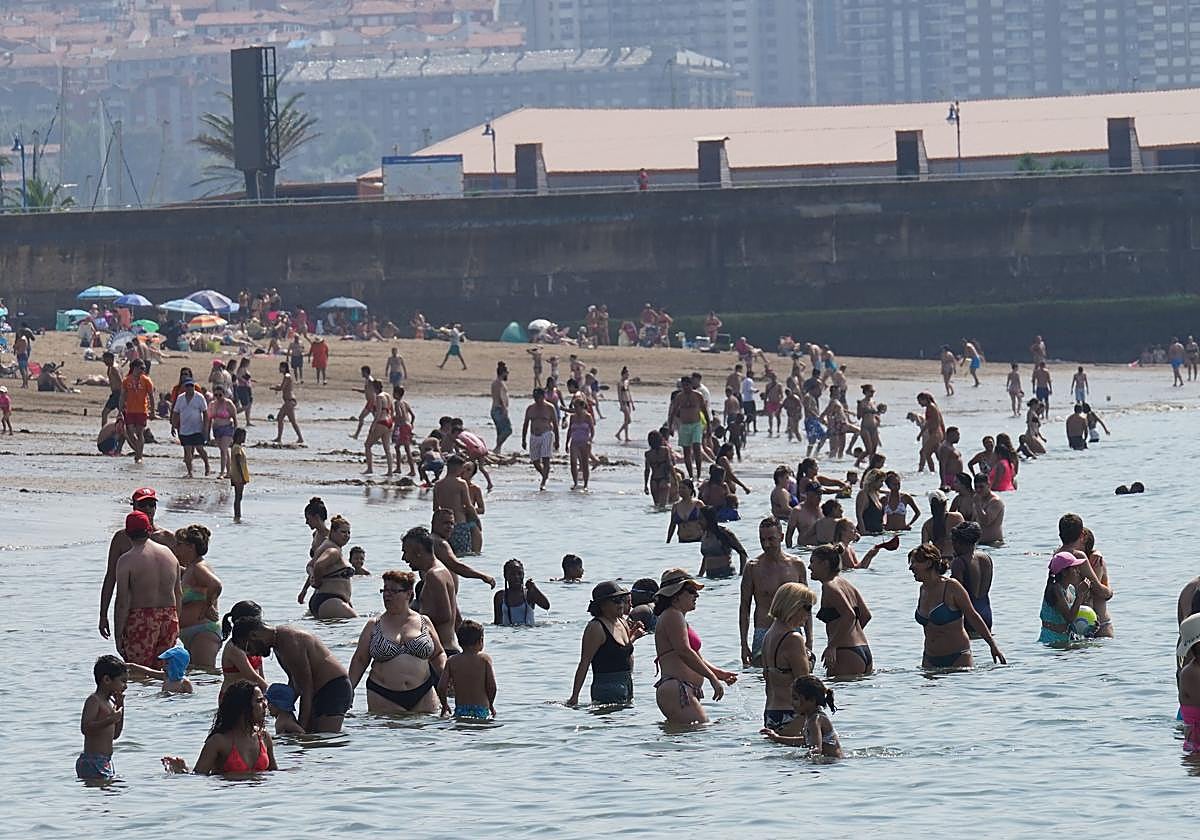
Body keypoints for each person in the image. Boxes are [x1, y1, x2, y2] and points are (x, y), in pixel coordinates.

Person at [348, 570, 448, 714]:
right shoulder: (374, 624)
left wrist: (446, 678)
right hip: (383, 694)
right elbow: (360, 659)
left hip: (423, 692)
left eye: (393, 591)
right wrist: (349, 689)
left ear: (408, 594)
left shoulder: (424, 621)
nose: (387, 595)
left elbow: (438, 654)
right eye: (385, 590)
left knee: (428, 733)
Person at [232, 619, 352, 733]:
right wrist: (282, 711)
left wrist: (301, 728)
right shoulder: (278, 644)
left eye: (248, 648)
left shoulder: (290, 642)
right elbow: (295, 683)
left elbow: (306, 689)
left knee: (324, 741)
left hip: (334, 689)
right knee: (314, 738)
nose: (251, 654)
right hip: (319, 692)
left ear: (253, 635)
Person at [652, 569, 737, 725]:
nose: (696, 595)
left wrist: (718, 673)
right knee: (700, 734)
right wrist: (711, 678)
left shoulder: (678, 617)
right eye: (691, 591)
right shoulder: (672, 615)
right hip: (676, 688)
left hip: (681, 689)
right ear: (675, 595)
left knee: (692, 741)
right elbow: (684, 651)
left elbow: (695, 655)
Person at [909, 543, 1005, 668]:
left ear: (928, 563)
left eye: (914, 563)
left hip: (958, 657)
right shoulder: (923, 589)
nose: (911, 568)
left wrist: (993, 646)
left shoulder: (951, 587)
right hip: (929, 658)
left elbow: (973, 616)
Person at [162, 681, 278, 775]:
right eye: (259, 701)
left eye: (264, 700)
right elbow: (199, 777)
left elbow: (274, 774)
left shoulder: (263, 737)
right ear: (243, 707)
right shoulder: (218, 742)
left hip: (261, 801)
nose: (265, 704)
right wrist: (183, 771)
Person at [114, 510, 182, 668]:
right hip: (170, 617)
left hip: (142, 619)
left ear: (127, 533)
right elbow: (178, 594)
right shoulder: (170, 555)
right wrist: (177, 624)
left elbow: (122, 602)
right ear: (149, 530)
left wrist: (118, 635)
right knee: (165, 672)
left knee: (138, 672)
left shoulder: (126, 560)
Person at [741, 518, 811, 667]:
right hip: (763, 630)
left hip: (793, 628)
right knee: (763, 678)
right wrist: (743, 645)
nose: (766, 544)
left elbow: (806, 605)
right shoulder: (753, 567)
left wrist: (810, 640)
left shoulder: (796, 565)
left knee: (796, 676)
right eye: (762, 540)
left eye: (771, 539)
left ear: (782, 537)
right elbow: (744, 607)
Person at [567, 581, 645, 706]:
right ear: (602, 605)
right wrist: (574, 697)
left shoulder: (622, 622)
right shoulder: (596, 627)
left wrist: (634, 635)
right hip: (606, 688)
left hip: (626, 684)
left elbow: (620, 651)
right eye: (615, 600)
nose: (621, 604)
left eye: (622, 599)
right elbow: (585, 662)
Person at [758, 583, 815, 731]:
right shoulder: (793, 639)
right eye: (807, 608)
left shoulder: (768, 636)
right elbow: (805, 684)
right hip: (793, 715)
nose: (809, 615)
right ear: (793, 605)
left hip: (772, 713)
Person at [810, 543, 873, 677]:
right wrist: (850, 636)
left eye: (813, 562)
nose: (809, 567)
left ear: (825, 564)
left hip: (845, 652)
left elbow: (849, 615)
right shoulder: (847, 584)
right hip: (863, 650)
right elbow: (866, 615)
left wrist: (833, 645)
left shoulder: (829, 586)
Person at [402, 526, 462, 653]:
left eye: (406, 552)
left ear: (418, 551)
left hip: (443, 650)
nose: (404, 558)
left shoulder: (434, 575)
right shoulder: (438, 571)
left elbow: (445, 615)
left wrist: (411, 620)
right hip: (441, 649)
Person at [760, 675, 843, 759]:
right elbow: (806, 741)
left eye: (796, 698)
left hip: (831, 763)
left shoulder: (815, 720)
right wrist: (777, 738)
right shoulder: (811, 718)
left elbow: (816, 749)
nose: (792, 703)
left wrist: (800, 761)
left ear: (812, 700)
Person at [174, 524, 222, 669]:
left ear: (191, 547)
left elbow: (216, 584)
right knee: (194, 677)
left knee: (204, 675)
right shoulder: (190, 568)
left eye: (179, 545)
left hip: (203, 632)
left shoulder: (199, 567)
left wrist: (208, 606)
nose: (175, 549)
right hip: (191, 633)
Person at [77, 655, 127, 781]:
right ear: (106, 680)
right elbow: (85, 728)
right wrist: (110, 720)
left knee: (112, 791)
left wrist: (121, 706)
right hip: (92, 761)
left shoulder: (110, 704)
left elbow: (115, 734)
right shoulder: (94, 700)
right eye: (122, 681)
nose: (125, 686)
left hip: (105, 760)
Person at [437, 620, 496, 720]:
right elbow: (492, 686)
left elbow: (441, 687)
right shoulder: (485, 660)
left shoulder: (452, 661)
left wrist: (445, 705)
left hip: (461, 710)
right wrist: (491, 704)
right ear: (481, 640)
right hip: (481, 710)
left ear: (459, 642)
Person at [304, 514, 358, 619]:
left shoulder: (327, 546)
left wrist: (310, 582)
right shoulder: (333, 551)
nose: (346, 535)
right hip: (330, 600)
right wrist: (317, 582)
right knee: (356, 623)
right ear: (332, 532)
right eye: (343, 532)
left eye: (348, 532)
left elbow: (310, 565)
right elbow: (318, 566)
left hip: (325, 600)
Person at [947, 521, 993, 637]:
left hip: (969, 617)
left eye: (953, 542)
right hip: (986, 615)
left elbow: (955, 594)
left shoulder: (959, 562)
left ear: (960, 543)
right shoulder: (986, 557)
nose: (952, 546)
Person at [1039, 551, 1093, 647]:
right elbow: (1069, 618)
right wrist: (1080, 594)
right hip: (1052, 641)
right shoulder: (1055, 590)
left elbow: (1076, 615)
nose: (1078, 571)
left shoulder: (1070, 589)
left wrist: (1088, 626)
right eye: (1074, 568)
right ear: (1064, 572)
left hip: (1065, 639)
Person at [432, 454, 482, 555]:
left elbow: (435, 508)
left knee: (448, 555)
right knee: (463, 555)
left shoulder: (438, 484)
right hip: (459, 525)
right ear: (459, 467)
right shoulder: (461, 483)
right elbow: (468, 505)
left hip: (443, 526)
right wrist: (477, 520)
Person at [219, 600, 268, 702]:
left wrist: (264, 697)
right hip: (232, 697)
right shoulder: (234, 647)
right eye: (258, 620)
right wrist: (271, 692)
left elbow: (260, 674)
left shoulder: (254, 643)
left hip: (252, 696)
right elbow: (251, 676)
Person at [171, 378, 211, 478]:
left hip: (197, 428)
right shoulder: (180, 398)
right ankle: (190, 472)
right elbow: (176, 413)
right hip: (184, 429)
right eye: (187, 386)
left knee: (200, 449)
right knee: (187, 451)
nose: (190, 388)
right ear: (185, 387)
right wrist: (173, 426)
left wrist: (205, 428)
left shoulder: (199, 397)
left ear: (194, 387)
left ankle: (207, 464)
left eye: (191, 386)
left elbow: (205, 414)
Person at [670, 376, 709, 479]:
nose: (685, 388)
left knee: (697, 448)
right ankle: (691, 475)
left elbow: (704, 411)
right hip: (684, 425)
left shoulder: (698, 396)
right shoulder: (679, 397)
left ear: (691, 385)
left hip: (696, 424)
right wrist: (671, 427)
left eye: (687, 385)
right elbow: (673, 412)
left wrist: (708, 426)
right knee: (686, 451)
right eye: (684, 386)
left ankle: (699, 474)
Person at [522, 387, 559, 491]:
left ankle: (543, 482)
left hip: (546, 434)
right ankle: (544, 474)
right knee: (535, 460)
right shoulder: (530, 408)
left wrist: (557, 441)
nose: (536, 400)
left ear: (543, 396)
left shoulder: (550, 408)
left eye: (538, 397)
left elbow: (555, 425)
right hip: (534, 435)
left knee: (546, 458)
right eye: (535, 397)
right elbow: (526, 424)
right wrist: (523, 439)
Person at [494, 558, 550, 626]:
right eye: (512, 574)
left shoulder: (528, 593)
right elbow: (497, 623)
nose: (516, 577)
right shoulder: (500, 596)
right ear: (505, 576)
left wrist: (534, 589)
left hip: (528, 634)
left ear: (523, 575)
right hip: (508, 635)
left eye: (519, 573)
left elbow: (546, 606)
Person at [119, 358, 155, 463]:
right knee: (129, 431)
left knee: (140, 433)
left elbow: (151, 396)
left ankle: (139, 456)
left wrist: (152, 411)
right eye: (141, 368)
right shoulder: (126, 380)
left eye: (144, 368)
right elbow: (122, 395)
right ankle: (138, 451)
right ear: (134, 368)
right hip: (129, 410)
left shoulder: (146, 380)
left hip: (142, 410)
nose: (143, 370)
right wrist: (120, 408)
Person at [697, 506, 748, 579]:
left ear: (709, 519)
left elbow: (742, 553)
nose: (698, 521)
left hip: (726, 575)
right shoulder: (704, 535)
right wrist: (700, 575)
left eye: (701, 518)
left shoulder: (723, 533)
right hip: (710, 576)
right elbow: (706, 557)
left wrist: (741, 574)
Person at [362, 379, 395, 476]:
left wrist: (373, 425)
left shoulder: (379, 397)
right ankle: (390, 471)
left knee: (367, 445)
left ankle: (369, 468)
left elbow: (378, 412)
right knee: (387, 448)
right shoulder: (387, 395)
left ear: (374, 387)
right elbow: (392, 411)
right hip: (389, 422)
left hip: (382, 421)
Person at [921, 489, 964, 556]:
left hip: (939, 560)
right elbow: (967, 539)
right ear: (945, 503)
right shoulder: (957, 517)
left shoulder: (927, 525)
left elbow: (924, 550)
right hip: (956, 558)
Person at [270, 361, 303, 444]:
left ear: (284, 368)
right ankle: (299, 438)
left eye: (280, 367)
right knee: (289, 420)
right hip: (289, 401)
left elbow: (282, 388)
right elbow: (284, 387)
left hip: (289, 401)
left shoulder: (287, 376)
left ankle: (279, 438)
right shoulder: (287, 376)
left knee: (280, 417)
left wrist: (274, 388)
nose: (279, 369)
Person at [566, 398, 595, 490]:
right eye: (575, 407)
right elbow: (569, 430)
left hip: (584, 442)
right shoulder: (572, 417)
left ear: (582, 407)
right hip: (574, 442)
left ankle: (586, 484)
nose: (576, 409)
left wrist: (590, 439)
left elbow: (592, 430)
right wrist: (566, 443)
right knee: (573, 463)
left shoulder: (588, 416)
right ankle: (575, 482)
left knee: (584, 463)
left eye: (577, 407)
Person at [643, 429, 676, 506]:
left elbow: (647, 470)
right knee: (663, 507)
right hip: (664, 479)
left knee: (656, 505)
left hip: (653, 481)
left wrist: (645, 485)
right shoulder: (665, 450)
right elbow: (670, 465)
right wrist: (675, 480)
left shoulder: (648, 454)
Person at [667, 478, 704, 543]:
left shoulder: (698, 504)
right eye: (679, 488)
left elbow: (708, 522)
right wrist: (668, 541)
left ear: (690, 489)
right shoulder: (675, 506)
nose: (681, 490)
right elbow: (672, 525)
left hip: (697, 540)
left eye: (683, 488)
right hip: (682, 541)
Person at [973, 473, 1006, 544]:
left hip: (993, 544)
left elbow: (986, 522)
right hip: (980, 543)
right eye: (976, 487)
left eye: (981, 487)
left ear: (988, 485)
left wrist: (978, 505)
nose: (978, 490)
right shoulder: (978, 499)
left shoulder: (995, 501)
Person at [855, 468, 886, 535]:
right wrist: (863, 532)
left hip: (878, 533)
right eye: (881, 481)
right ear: (873, 481)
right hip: (868, 532)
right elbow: (859, 515)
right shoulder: (863, 494)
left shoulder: (876, 494)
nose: (882, 485)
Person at [490, 362, 512, 453]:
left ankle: (498, 449)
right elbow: (501, 396)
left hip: (495, 409)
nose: (507, 375)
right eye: (507, 373)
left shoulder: (495, 383)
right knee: (508, 430)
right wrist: (504, 409)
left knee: (500, 431)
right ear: (503, 373)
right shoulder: (500, 384)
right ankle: (497, 448)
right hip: (499, 409)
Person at [230, 427, 250, 521]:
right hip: (238, 476)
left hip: (237, 475)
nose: (244, 438)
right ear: (238, 437)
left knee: (238, 497)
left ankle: (237, 515)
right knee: (238, 497)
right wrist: (242, 477)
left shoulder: (236, 447)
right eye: (243, 436)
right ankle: (237, 515)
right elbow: (238, 463)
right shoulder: (237, 448)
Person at [615, 366, 635, 442]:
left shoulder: (627, 382)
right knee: (628, 420)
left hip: (628, 401)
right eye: (626, 374)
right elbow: (619, 394)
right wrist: (621, 405)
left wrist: (632, 403)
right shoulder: (619, 383)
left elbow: (629, 393)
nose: (628, 375)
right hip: (623, 402)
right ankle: (618, 433)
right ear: (623, 374)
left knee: (626, 420)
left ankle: (626, 436)